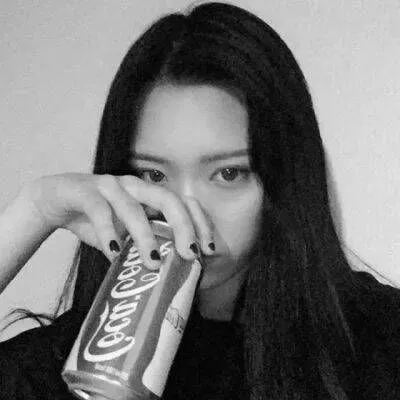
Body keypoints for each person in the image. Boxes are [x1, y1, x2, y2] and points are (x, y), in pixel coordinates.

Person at [0, 2, 399, 399]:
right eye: (154, 176)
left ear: (283, 178)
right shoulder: (64, 368)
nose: (186, 217)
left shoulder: (378, 342)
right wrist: (34, 211)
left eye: (228, 174)